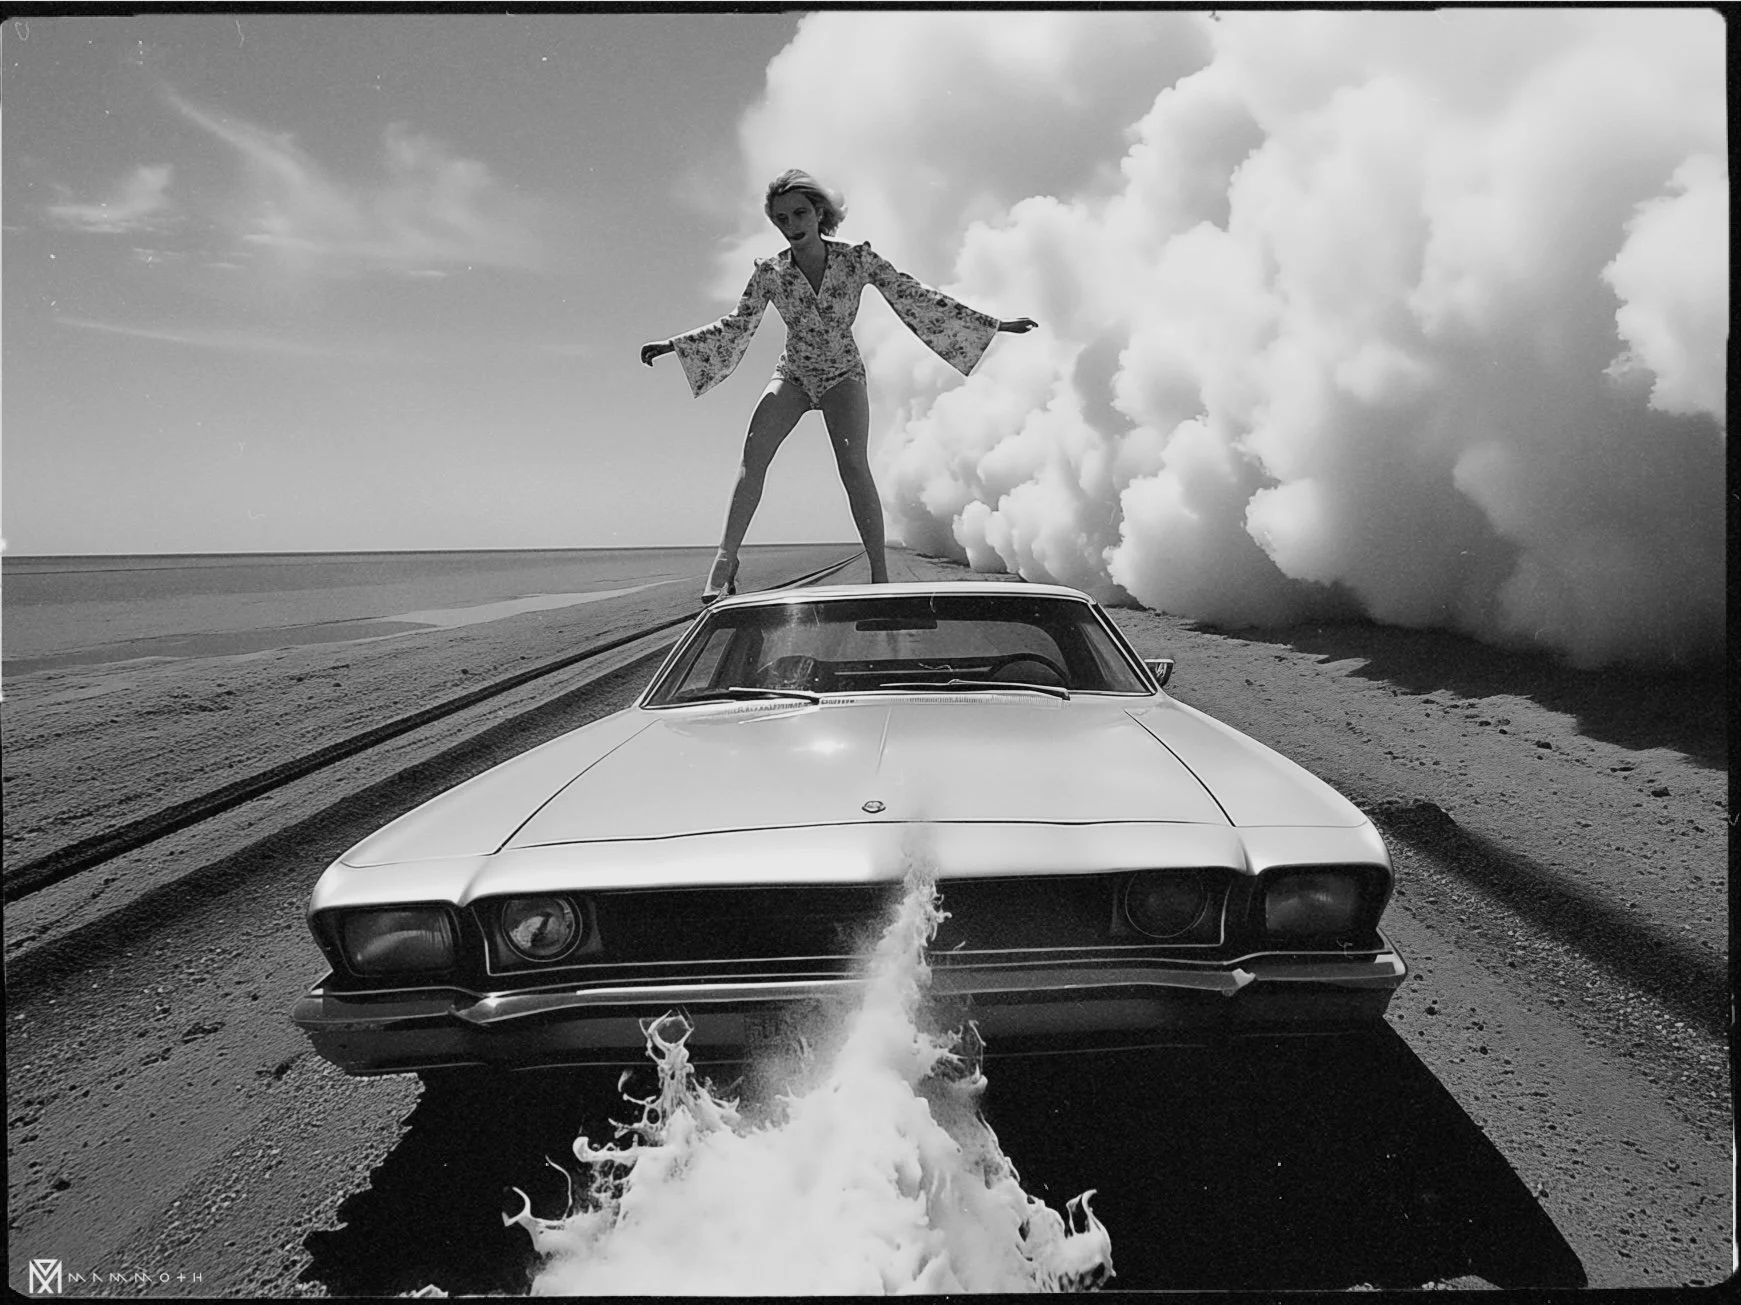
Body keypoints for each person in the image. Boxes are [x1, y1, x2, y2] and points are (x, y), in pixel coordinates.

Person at [641, 169, 1038, 601]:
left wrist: (991, 324)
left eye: (798, 214)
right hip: (792, 372)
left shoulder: (855, 260)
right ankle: (724, 559)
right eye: (781, 218)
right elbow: (737, 324)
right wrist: (674, 346)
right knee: (752, 457)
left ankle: (880, 575)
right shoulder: (770, 272)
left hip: (842, 373)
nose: (791, 225)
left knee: (852, 467)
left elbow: (913, 294)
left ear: (819, 213)